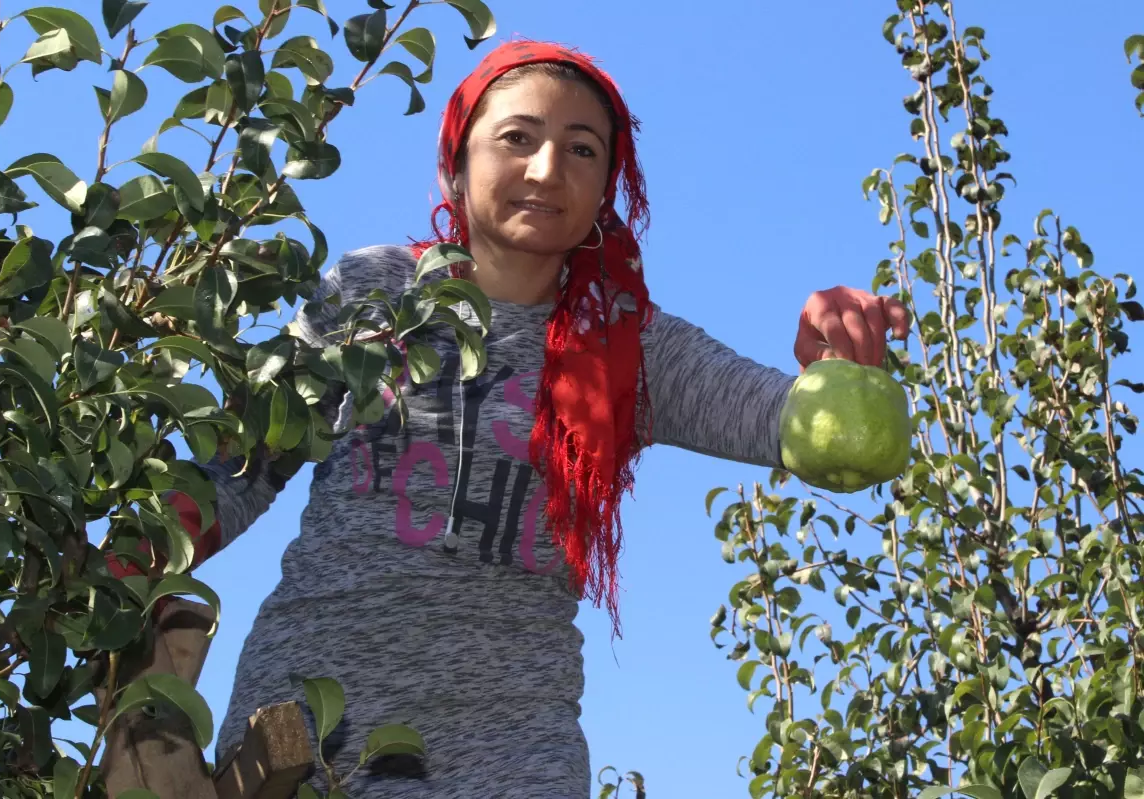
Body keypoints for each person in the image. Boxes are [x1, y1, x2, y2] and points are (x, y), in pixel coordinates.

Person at [122, 40, 909, 798]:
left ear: (608, 185)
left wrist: (834, 365)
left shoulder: (631, 347)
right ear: (456, 160)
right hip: (311, 728)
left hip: (513, 755)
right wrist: (116, 572)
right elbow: (237, 466)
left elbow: (796, 427)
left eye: (581, 150)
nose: (546, 170)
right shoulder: (375, 293)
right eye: (518, 138)